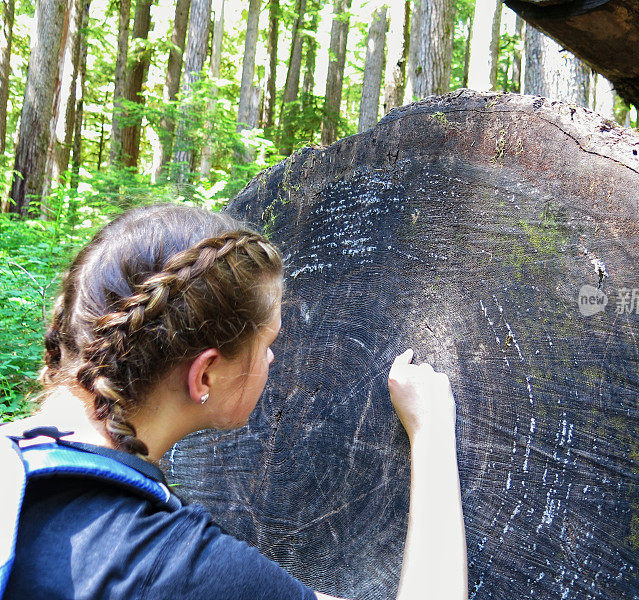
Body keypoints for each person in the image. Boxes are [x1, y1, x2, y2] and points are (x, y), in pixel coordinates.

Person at [0, 203, 468, 600]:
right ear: (204, 374)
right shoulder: (175, 567)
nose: (272, 358)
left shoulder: (17, 469)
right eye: (268, 342)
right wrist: (431, 434)